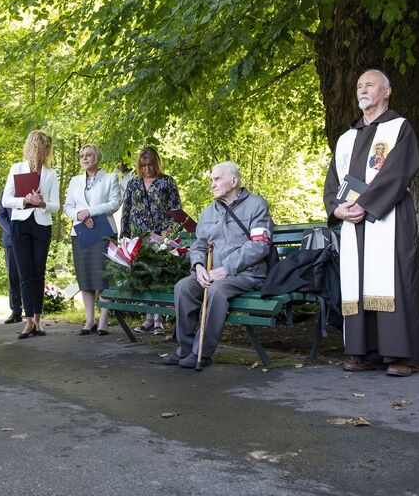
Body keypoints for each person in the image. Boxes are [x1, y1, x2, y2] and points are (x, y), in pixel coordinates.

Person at [324, 69, 419, 378]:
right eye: (359, 85)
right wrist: (337, 210)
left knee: (394, 279)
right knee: (358, 281)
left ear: (387, 91)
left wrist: (363, 205)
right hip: (353, 223)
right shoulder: (346, 137)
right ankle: (361, 352)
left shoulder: (398, 128)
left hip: (390, 217)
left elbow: (397, 173)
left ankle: (398, 355)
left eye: (370, 85)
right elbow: (332, 183)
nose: (363, 90)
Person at [164, 162, 272, 369]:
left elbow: (259, 245)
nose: (212, 185)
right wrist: (198, 266)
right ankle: (185, 349)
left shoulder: (257, 205)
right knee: (183, 287)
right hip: (212, 273)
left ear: (233, 181)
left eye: (217, 179)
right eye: (211, 180)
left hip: (246, 274)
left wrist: (226, 269)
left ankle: (201, 352)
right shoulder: (208, 212)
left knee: (216, 290)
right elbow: (199, 245)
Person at [2, 130, 60, 339]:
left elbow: (55, 205)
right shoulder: (17, 168)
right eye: (40, 146)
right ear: (31, 146)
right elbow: (6, 200)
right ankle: (28, 321)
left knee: (39, 273)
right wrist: (25, 201)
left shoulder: (51, 173)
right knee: (25, 274)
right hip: (20, 224)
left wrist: (41, 202)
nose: (43, 151)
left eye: (46, 147)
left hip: (42, 225)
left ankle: (38, 319)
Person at [120, 146, 182, 334]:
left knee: (159, 277)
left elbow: (177, 210)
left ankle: (159, 320)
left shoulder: (167, 182)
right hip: (139, 237)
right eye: (143, 165)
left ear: (157, 164)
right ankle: (148, 319)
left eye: (150, 165)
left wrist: (169, 232)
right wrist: (125, 236)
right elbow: (126, 209)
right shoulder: (133, 183)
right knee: (144, 277)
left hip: (161, 236)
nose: (147, 169)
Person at [64, 144, 121, 336]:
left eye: (88, 155)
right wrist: (80, 215)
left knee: (104, 276)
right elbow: (68, 207)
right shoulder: (74, 181)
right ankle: (89, 321)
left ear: (97, 157)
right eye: (82, 156)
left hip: (103, 232)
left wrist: (91, 212)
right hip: (81, 233)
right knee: (86, 277)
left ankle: (103, 321)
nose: (85, 158)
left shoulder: (110, 177)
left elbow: (114, 203)